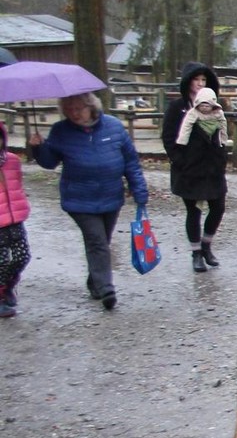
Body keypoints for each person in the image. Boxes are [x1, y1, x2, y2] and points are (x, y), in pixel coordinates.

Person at [28, 93, 148, 310]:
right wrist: (38, 148)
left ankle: (95, 280)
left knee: (103, 240)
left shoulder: (113, 126)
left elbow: (131, 161)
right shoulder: (61, 131)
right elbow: (49, 162)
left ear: (91, 106)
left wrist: (138, 189)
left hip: (111, 196)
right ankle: (106, 289)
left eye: (79, 109)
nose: (74, 114)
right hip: (79, 199)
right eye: (69, 110)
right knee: (97, 240)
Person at [161, 62, 230, 273]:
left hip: (212, 167)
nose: (200, 84)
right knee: (193, 210)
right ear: (188, 82)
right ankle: (196, 252)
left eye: (203, 80)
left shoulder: (216, 108)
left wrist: (221, 157)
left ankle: (207, 244)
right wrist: (179, 160)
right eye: (196, 80)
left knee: (218, 207)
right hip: (189, 168)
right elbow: (168, 137)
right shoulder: (178, 108)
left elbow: (222, 134)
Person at [0, 121, 30, 318]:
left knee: (22, 256)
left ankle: (8, 285)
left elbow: (18, 184)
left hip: (15, 218)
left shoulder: (12, 160)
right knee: (1, 261)